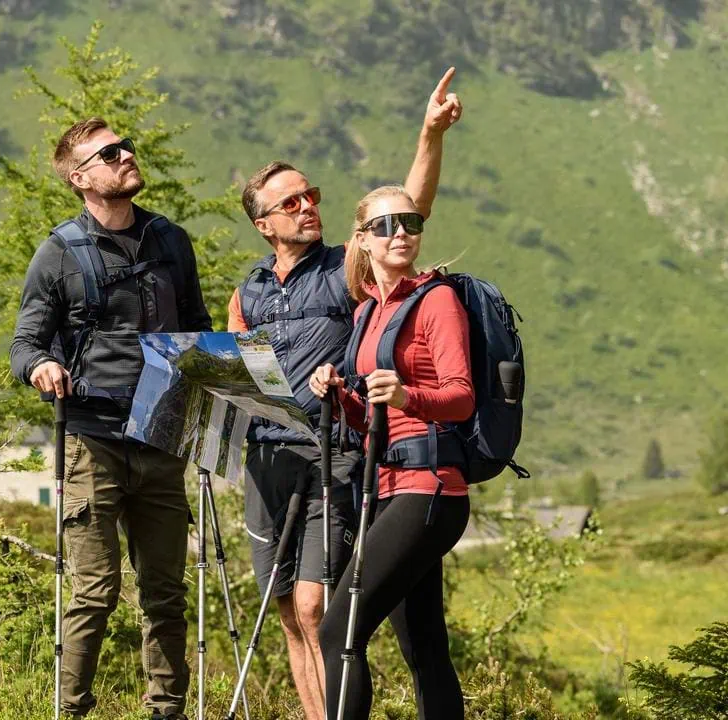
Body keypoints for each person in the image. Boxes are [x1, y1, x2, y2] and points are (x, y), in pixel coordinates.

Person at [227, 69, 462, 718]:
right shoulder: (248, 290)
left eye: (311, 196)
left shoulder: (345, 268)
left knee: (317, 608)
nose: (308, 206)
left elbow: (402, 215)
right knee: (287, 612)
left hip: (332, 455)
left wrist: (430, 135)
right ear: (264, 224)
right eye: (291, 203)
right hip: (265, 461)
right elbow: (243, 370)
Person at [9, 117, 212, 720]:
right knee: (94, 592)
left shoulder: (170, 241)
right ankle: (71, 710)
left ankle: (166, 711)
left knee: (165, 594)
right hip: (91, 441)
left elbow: (197, 328)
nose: (126, 155)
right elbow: (24, 344)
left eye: (125, 146)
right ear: (80, 178)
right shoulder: (59, 253)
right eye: (109, 153)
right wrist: (42, 366)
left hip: (162, 436)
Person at [310, 184, 475, 720]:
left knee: (338, 631)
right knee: (423, 646)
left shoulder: (437, 300)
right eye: (384, 225)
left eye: (410, 222)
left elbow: (461, 398)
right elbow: (371, 420)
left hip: (430, 488)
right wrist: (342, 395)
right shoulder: (366, 313)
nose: (400, 232)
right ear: (362, 238)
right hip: (386, 486)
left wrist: (407, 395)